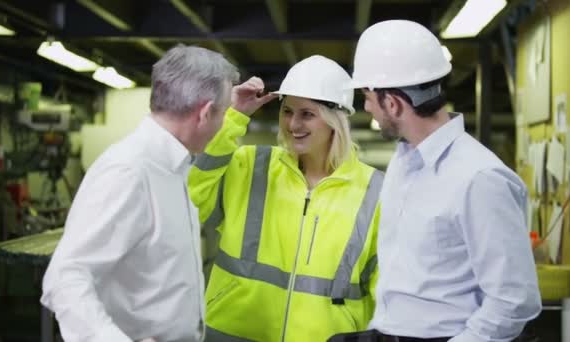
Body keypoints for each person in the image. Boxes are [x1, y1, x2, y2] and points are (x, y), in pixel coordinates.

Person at [337, 20, 542, 341]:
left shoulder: (480, 178)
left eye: (367, 96)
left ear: (392, 103)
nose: (366, 108)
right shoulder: (404, 162)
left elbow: (514, 300)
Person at [40, 44, 239, 342]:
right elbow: (65, 279)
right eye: (223, 113)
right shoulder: (130, 171)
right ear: (206, 113)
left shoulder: (176, 166)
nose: (222, 122)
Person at [188, 55, 383, 341]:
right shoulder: (250, 164)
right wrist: (233, 117)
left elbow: (388, 285)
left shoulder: (375, 191)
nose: (293, 124)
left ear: (335, 119)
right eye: (287, 111)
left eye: (307, 114)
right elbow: (191, 199)